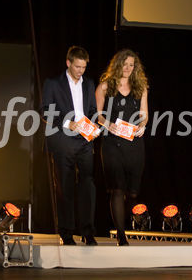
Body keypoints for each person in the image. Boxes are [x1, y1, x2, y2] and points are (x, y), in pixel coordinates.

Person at [41, 46, 98, 246]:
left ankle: (88, 231)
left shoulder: (89, 84)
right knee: (65, 187)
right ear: (68, 63)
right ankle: (66, 233)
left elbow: (92, 109)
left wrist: (92, 126)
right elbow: (46, 111)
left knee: (88, 185)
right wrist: (67, 123)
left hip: (84, 139)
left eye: (83, 67)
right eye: (77, 66)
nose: (80, 70)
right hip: (63, 138)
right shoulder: (53, 83)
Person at [95, 49, 148, 246]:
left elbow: (145, 114)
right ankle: (121, 234)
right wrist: (107, 124)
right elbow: (96, 114)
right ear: (117, 64)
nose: (127, 68)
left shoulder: (140, 87)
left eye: (131, 65)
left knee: (132, 193)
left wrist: (142, 126)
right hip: (112, 143)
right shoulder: (105, 86)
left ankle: (121, 224)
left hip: (134, 143)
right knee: (117, 189)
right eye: (124, 64)